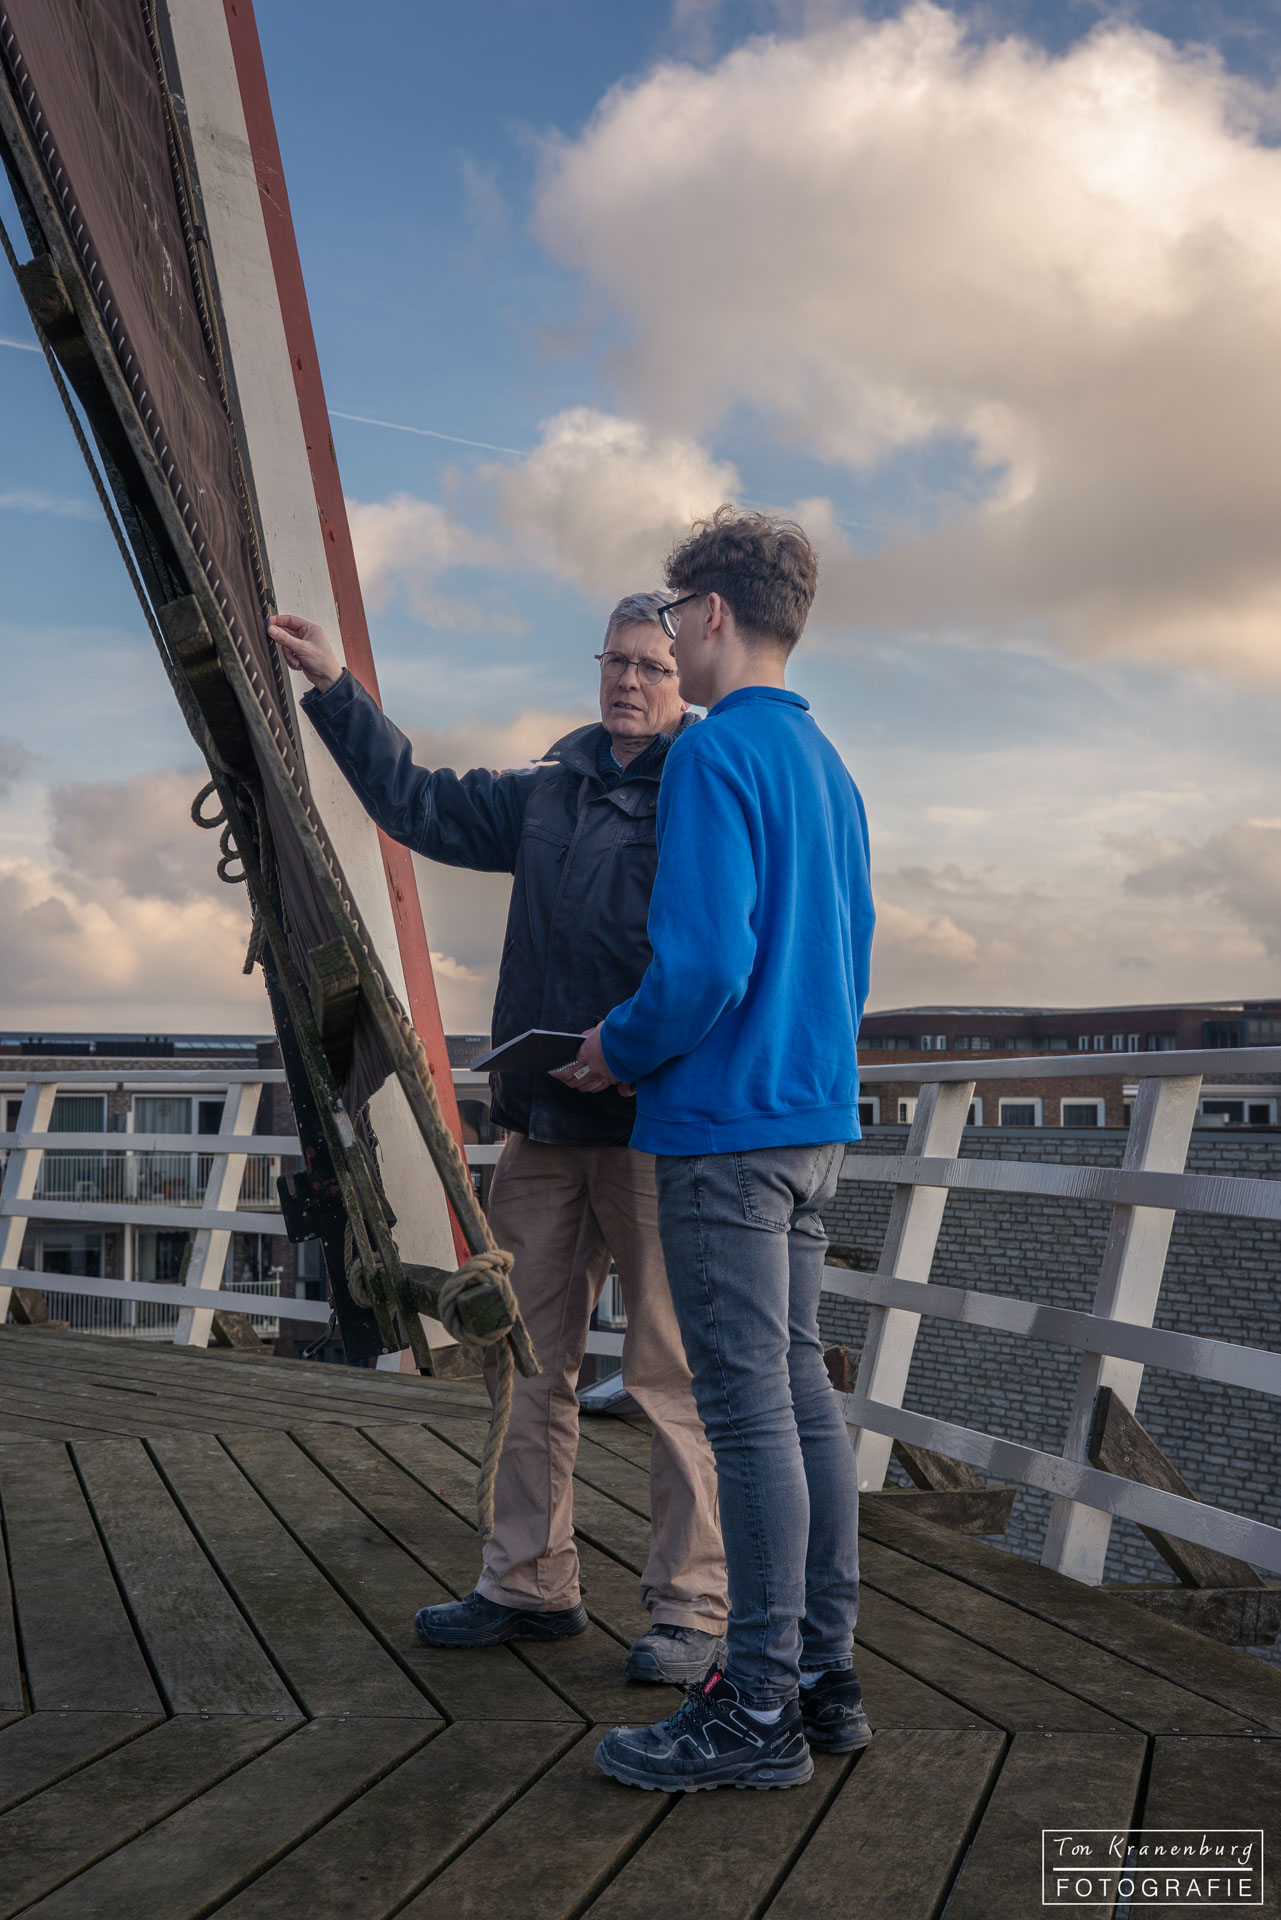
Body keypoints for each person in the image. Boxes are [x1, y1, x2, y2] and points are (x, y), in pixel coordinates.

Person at [268, 597, 729, 1686]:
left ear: (684, 683)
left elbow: (719, 957)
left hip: (655, 1130)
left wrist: (642, 1050)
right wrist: (335, 689)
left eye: (652, 667)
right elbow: (418, 802)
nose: (628, 681)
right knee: (523, 1364)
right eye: (615, 661)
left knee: (669, 1378)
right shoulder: (547, 791)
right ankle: (529, 1581)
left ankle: (691, 1609)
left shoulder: (707, 788)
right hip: (545, 1131)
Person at [559, 508, 876, 1791]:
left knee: (744, 1415)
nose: (672, 638)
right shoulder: (830, 767)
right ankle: (824, 1679)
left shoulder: (712, 755)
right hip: (813, 1120)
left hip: (725, 1129)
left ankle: (754, 1710)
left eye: (677, 615)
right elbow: (847, 957)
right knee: (800, 1396)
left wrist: (617, 1048)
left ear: (712, 616)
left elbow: (700, 966)